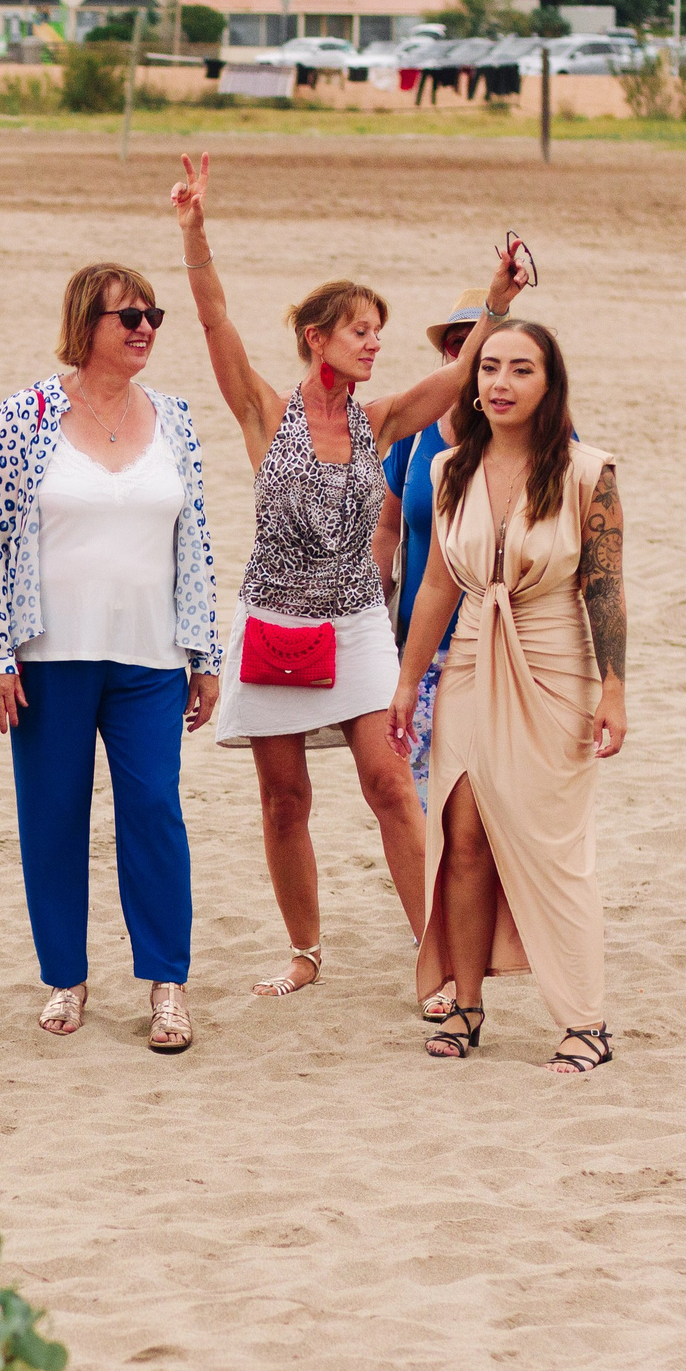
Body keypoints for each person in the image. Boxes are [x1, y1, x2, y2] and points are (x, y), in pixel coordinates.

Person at [169, 150, 524, 1001]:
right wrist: (195, 233)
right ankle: (305, 951)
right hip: (272, 623)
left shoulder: (380, 418)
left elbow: (453, 379)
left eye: (377, 331)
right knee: (284, 799)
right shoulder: (266, 411)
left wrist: (496, 303)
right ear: (315, 338)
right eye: (359, 329)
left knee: (391, 783)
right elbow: (216, 323)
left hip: (359, 622)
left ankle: (436, 951)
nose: (373, 343)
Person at [0, 264, 220, 1052]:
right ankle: (65, 978)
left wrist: (205, 649)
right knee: (53, 820)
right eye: (127, 316)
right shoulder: (28, 413)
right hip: (49, 656)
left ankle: (166, 983)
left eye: (153, 315)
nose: (144, 328)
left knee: (155, 814)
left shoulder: (175, 418)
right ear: (87, 324)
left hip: (149, 657)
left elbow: (197, 540)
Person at [388, 320, 627, 1073]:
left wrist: (614, 688)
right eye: (488, 368)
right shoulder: (449, 468)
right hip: (465, 662)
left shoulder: (589, 471)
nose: (500, 383)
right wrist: (405, 680)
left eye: (520, 369)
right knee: (461, 840)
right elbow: (434, 585)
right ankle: (466, 1002)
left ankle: (585, 1020)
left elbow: (606, 588)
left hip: (556, 665)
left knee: (553, 845)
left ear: (549, 383)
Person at [376, 286, 491, 1022]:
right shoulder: (417, 437)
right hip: (418, 652)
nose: (467, 356)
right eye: (455, 344)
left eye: (477, 342)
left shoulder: (540, 435)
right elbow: (389, 528)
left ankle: (485, 939)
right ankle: (444, 947)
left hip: (494, 657)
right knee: (424, 806)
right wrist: (375, 608)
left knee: (486, 811)